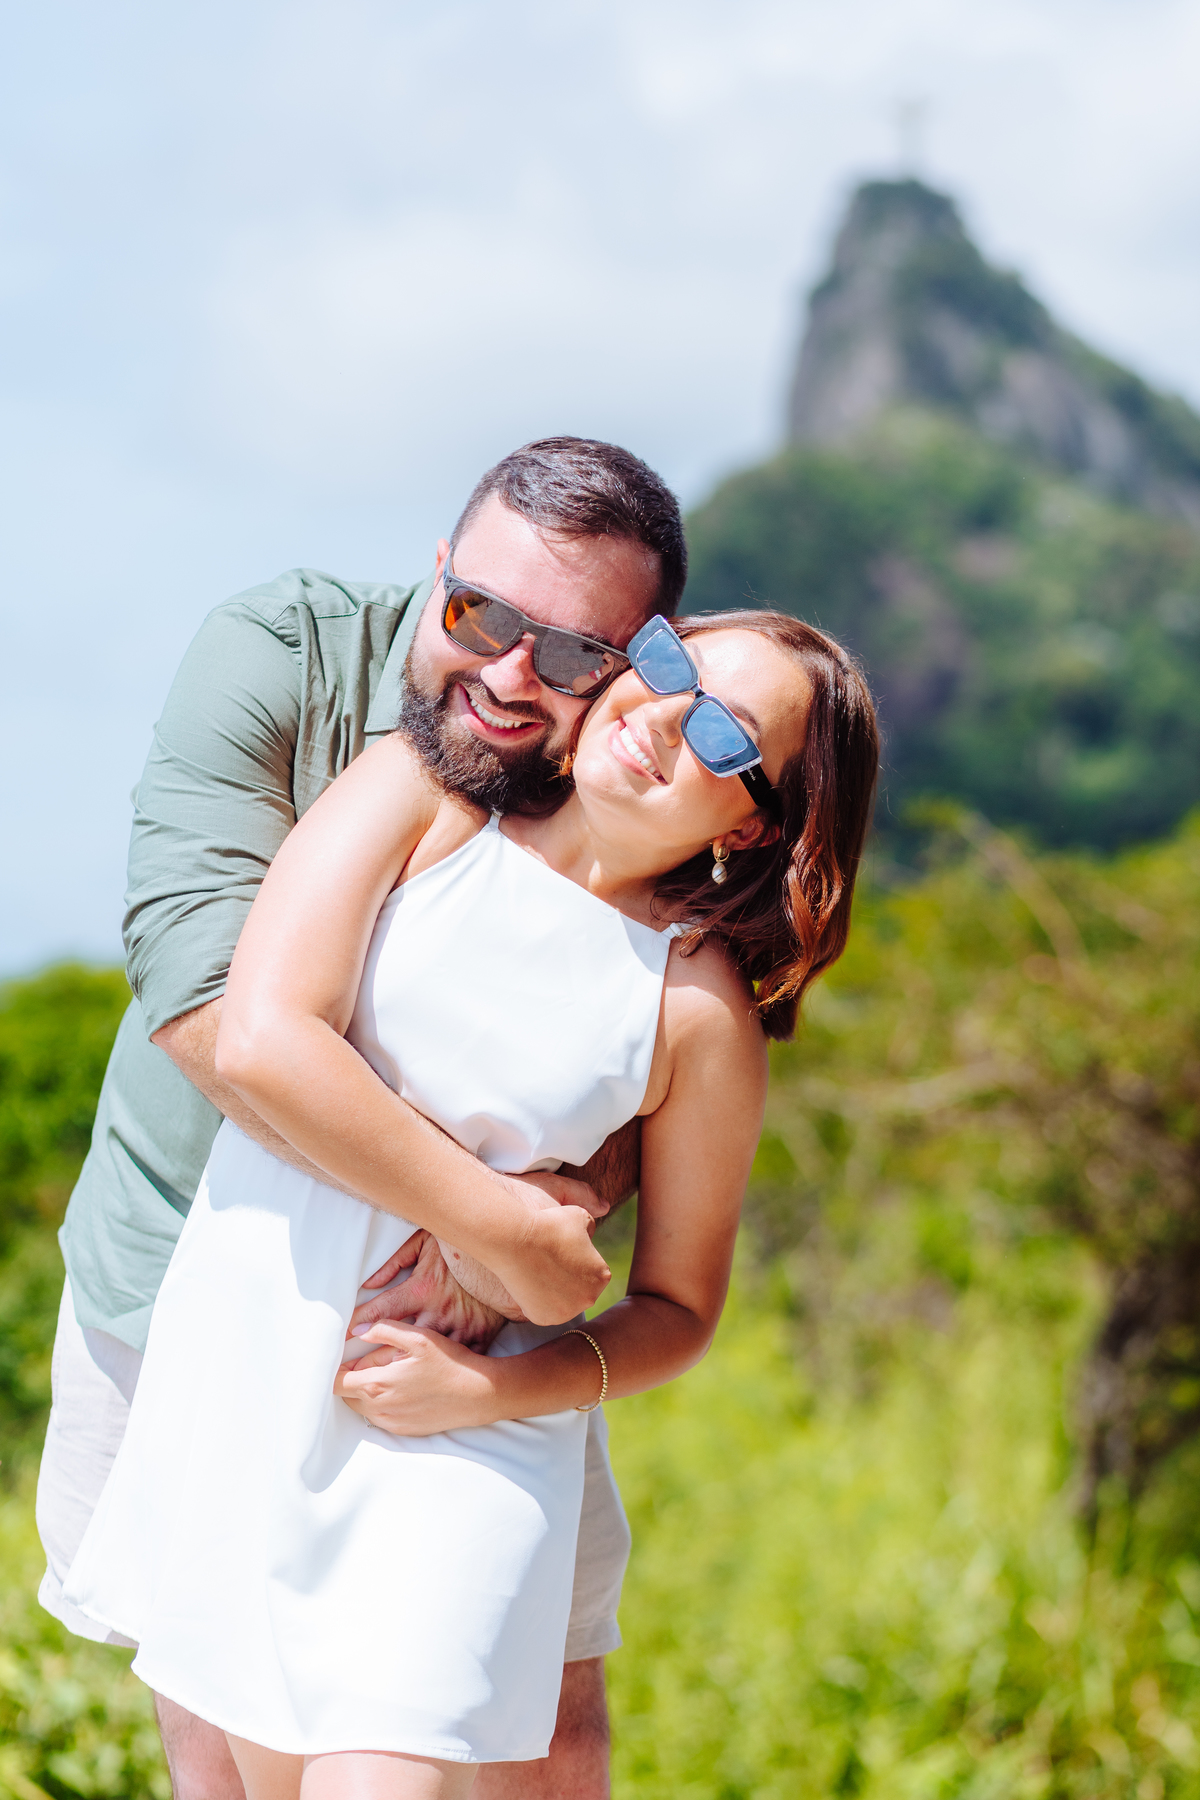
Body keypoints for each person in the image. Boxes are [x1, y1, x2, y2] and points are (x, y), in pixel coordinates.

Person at [63, 601, 880, 1799]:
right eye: (666, 668)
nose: (661, 718)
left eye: (722, 734)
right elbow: (260, 1033)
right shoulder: (425, 800)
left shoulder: (696, 1008)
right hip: (250, 1369)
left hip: (466, 1441)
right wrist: (494, 1217)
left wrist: (490, 1389)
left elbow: (679, 1309)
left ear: (757, 827)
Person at [37, 439, 688, 1800]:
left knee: (546, 1727)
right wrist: (499, 1217)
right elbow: (215, 1012)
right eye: (483, 619)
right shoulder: (277, 655)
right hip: (186, 1270)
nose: (516, 678)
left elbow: (641, 1030)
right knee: (225, 1730)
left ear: (635, 663)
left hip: (458, 1324)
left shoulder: (621, 768)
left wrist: (570, 1199)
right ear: (438, 574)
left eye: (575, 655)